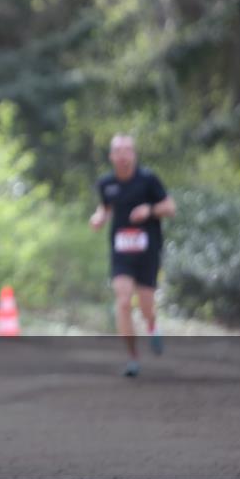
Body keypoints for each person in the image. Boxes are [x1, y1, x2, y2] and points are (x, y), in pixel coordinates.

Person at [89, 134, 176, 377]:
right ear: (111, 156)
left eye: (127, 150)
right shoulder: (106, 184)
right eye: (118, 151)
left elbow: (170, 207)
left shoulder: (148, 180)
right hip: (121, 252)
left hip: (147, 251)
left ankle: (152, 325)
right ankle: (132, 358)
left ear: (134, 155)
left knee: (146, 306)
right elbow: (106, 207)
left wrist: (149, 209)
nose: (123, 155)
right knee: (124, 301)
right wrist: (99, 218)